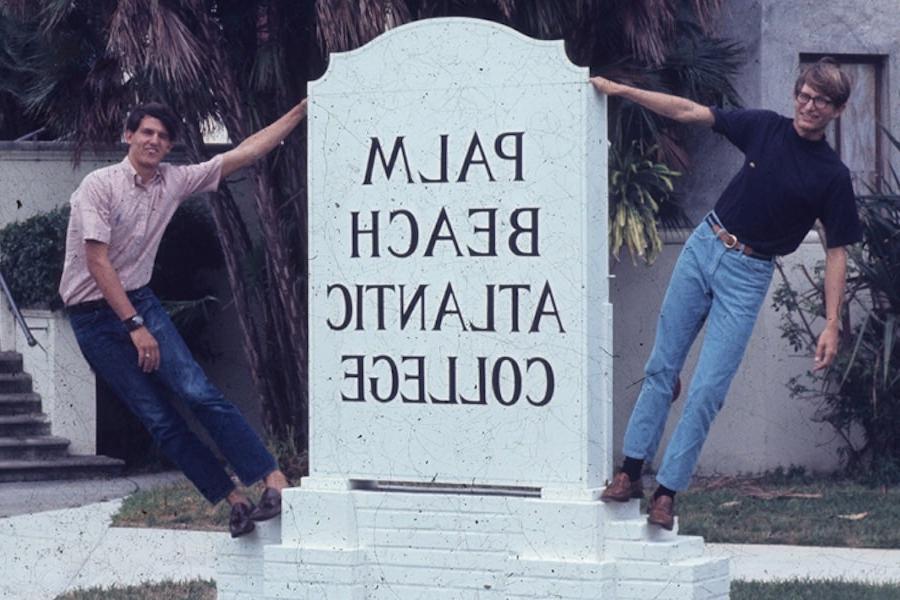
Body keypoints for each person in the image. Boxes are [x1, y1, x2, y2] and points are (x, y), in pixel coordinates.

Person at [591, 58, 861, 530]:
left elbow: (837, 252)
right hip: (703, 247)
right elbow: (690, 111)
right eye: (804, 94)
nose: (809, 105)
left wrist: (832, 323)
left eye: (821, 100)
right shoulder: (764, 127)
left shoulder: (832, 176)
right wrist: (621, 90)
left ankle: (667, 493)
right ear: (795, 92)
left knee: (709, 389)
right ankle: (629, 472)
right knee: (661, 366)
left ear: (837, 110)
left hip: (750, 274)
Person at [59, 99, 308, 538]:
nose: (155, 141)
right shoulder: (98, 186)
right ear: (129, 135)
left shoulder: (172, 181)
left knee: (198, 391)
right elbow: (97, 261)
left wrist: (301, 110)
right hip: (94, 320)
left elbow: (243, 153)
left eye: (163, 136)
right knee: (158, 418)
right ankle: (233, 501)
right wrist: (136, 327)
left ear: (170, 145)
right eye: (147, 132)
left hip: (139, 299)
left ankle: (273, 480)